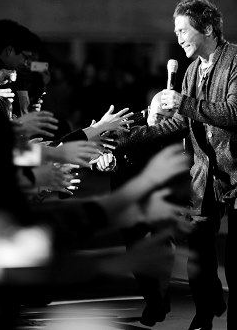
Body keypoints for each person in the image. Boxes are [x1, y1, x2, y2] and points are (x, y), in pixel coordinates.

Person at [115, 0, 237, 330]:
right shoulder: (190, 72)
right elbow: (179, 124)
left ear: (207, 29)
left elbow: (236, 112)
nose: (178, 38)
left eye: (182, 30)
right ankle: (206, 310)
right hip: (206, 171)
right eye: (176, 32)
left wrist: (183, 103)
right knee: (198, 245)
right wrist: (125, 137)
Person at [94, 90, 189, 327]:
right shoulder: (127, 125)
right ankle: (155, 298)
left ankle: (157, 301)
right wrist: (104, 161)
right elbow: (101, 150)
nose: (161, 124)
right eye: (158, 117)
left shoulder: (178, 129)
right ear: (148, 109)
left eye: (167, 118)